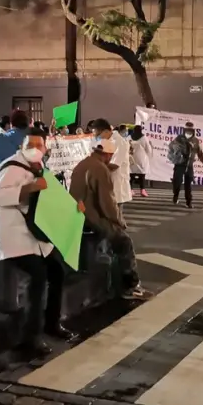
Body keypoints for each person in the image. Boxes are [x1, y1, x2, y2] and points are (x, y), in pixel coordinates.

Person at [0, 127, 80, 355]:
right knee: (38, 277)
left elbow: (52, 198)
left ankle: (52, 323)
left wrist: (74, 208)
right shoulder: (11, 167)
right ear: (22, 146)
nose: (35, 150)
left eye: (40, 145)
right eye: (31, 145)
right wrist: (29, 188)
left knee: (57, 271)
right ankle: (30, 337)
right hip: (13, 234)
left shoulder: (41, 167)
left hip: (35, 234)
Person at [69, 140, 149, 300]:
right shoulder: (100, 169)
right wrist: (118, 221)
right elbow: (107, 202)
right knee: (124, 242)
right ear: (107, 154)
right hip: (91, 217)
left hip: (78, 214)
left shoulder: (82, 165)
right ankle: (130, 287)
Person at [91, 119, 132, 218]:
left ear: (105, 131)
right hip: (107, 178)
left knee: (115, 210)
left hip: (117, 179)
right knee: (108, 209)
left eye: (98, 135)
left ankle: (118, 230)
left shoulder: (120, 142)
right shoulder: (107, 140)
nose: (97, 138)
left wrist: (96, 169)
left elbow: (115, 165)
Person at [166, 122, 203, 207]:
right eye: (187, 129)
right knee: (177, 182)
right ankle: (175, 195)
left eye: (190, 130)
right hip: (179, 164)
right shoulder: (179, 138)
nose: (188, 131)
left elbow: (200, 153)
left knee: (188, 183)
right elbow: (172, 147)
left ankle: (189, 201)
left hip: (189, 165)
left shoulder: (196, 140)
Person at [129, 125, 152, 197]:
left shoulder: (129, 137)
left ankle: (130, 190)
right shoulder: (144, 138)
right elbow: (148, 149)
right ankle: (142, 190)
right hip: (142, 158)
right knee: (142, 175)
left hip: (132, 158)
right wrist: (148, 156)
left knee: (131, 174)